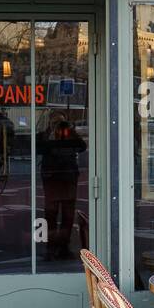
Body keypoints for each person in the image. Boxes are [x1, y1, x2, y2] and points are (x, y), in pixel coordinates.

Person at [38, 111, 87, 260]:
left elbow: (82, 146)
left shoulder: (70, 134)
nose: (59, 126)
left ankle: (64, 246)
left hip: (68, 177)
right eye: (55, 123)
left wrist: (70, 131)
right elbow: (39, 148)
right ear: (49, 124)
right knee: (51, 213)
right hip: (52, 177)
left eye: (61, 123)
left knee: (68, 214)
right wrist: (51, 133)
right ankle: (51, 247)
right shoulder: (46, 135)